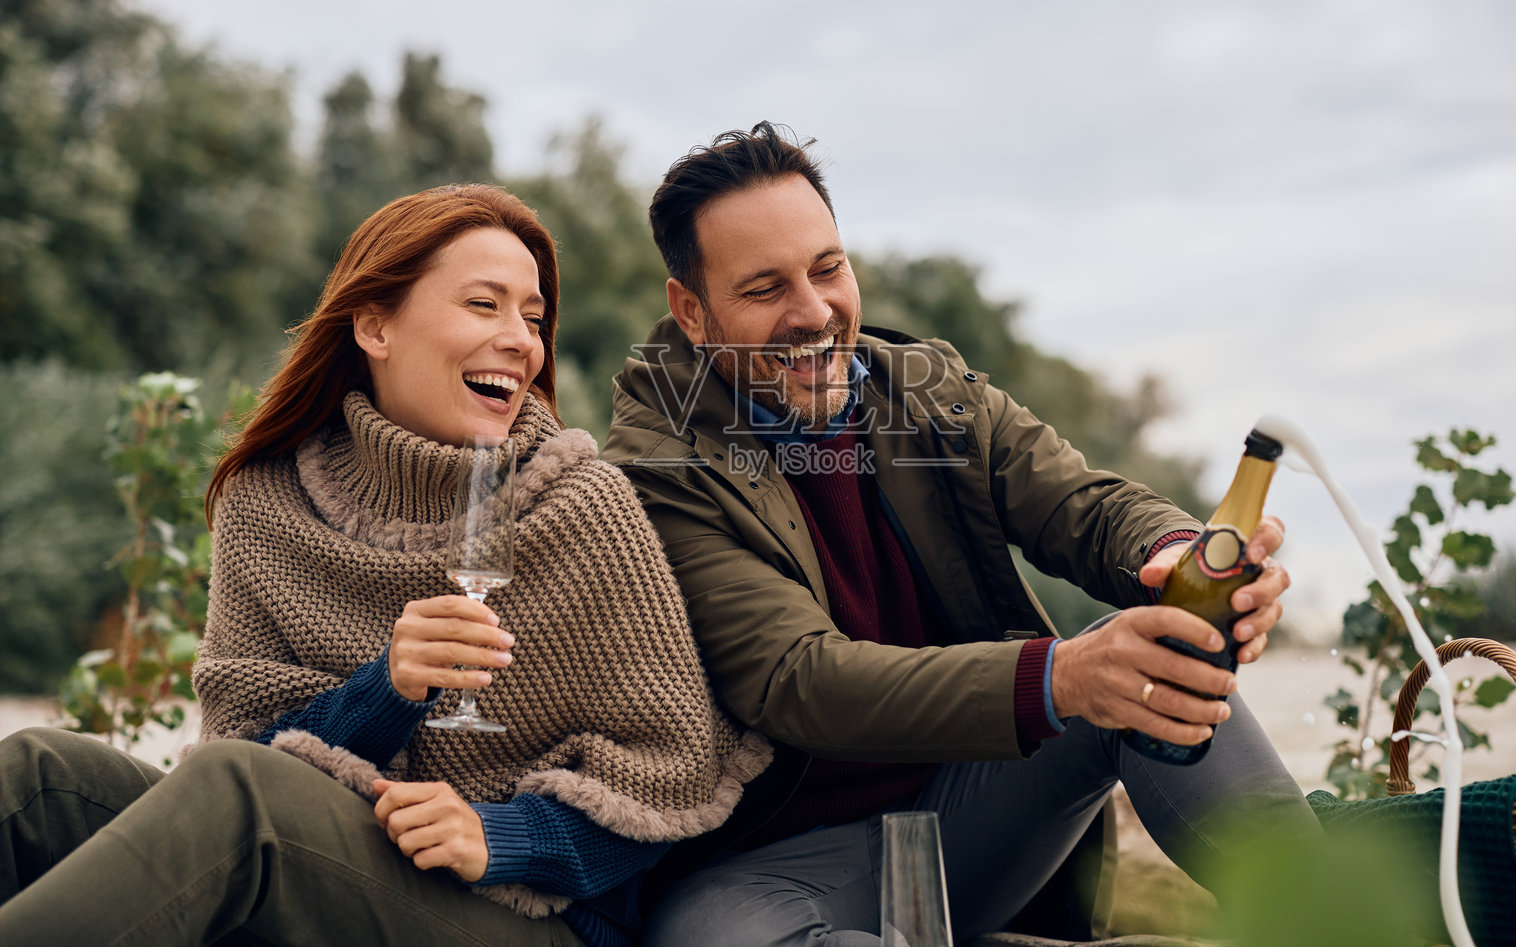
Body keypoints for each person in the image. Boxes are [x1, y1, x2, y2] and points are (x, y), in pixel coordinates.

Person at [602, 123, 1321, 946]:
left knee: (1158, 666)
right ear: (691, 311)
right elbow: (799, 679)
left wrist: (1174, 553)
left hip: (967, 820)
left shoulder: (928, 391)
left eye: (828, 268)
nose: (813, 312)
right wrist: (1058, 678)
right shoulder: (657, 471)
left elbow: (1081, 503)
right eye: (764, 289)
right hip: (766, 870)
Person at [0, 184, 770, 947]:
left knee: (246, 795)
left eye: (533, 318)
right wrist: (385, 690)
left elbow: (675, 781)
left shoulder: (581, 506)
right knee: (37, 773)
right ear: (375, 324)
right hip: (332, 857)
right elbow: (244, 737)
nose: (521, 340)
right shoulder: (265, 501)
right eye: (484, 304)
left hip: (528, 917)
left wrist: (498, 834)